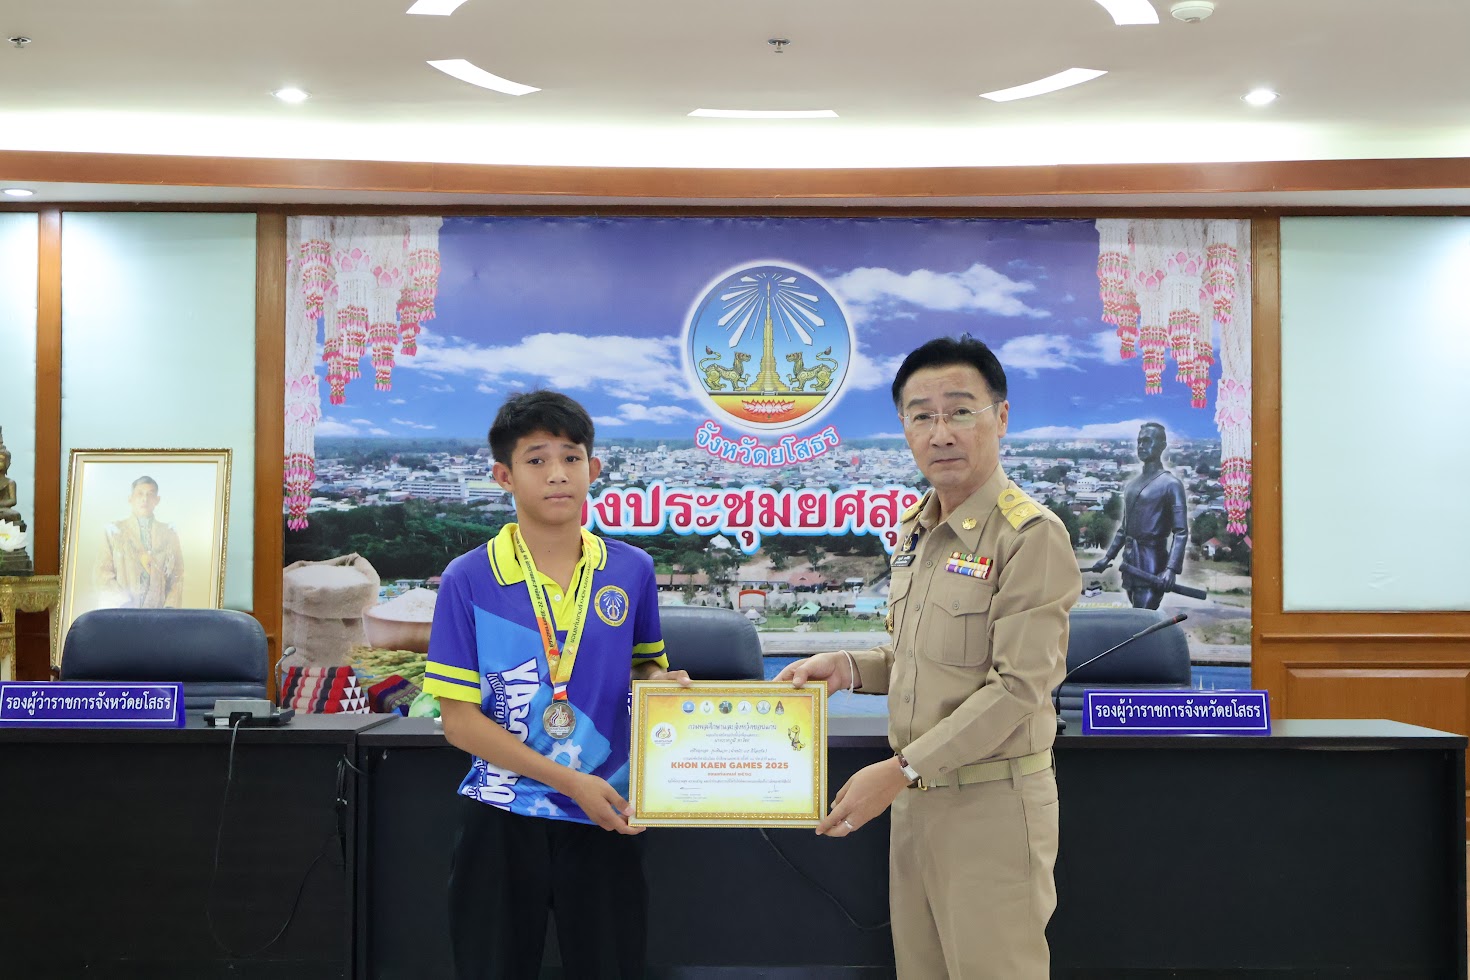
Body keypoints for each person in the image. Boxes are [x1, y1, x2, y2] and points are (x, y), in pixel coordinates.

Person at [777, 336, 1081, 979]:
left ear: (1000, 417)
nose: (940, 432)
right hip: (917, 803)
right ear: (904, 429)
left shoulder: (1030, 536)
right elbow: (923, 657)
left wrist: (900, 770)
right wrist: (852, 667)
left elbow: (1018, 688)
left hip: (991, 807)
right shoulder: (918, 529)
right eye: (922, 415)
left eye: (959, 410)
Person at [422, 389, 690, 980]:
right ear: (503, 476)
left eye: (571, 457)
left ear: (593, 470)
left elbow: (640, 664)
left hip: (607, 812)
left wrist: (660, 682)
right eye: (536, 460)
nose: (557, 475)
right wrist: (571, 781)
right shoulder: (468, 579)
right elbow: (460, 722)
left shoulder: (630, 569)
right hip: (502, 817)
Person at [1089, 422, 1188, 610]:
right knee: (1137, 617)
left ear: (1162, 446)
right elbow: (1124, 529)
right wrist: (1108, 558)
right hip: (1131, 564)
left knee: (1143, 620)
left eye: (1147, 441)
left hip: (1152, 566)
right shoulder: (1133, 485)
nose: (1141, 446)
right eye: (1139, 441)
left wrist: (1171, 569)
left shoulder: (1171, 484)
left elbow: (1181, 532)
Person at [94, 476, 185, 608]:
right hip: (122, 613)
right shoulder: (114, 531)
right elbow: (102, 573)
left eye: (150, 494)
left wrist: (169, 609)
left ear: (157, 500)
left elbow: (177, 576)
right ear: (130, 498)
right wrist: (123, 603)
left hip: (158, 614)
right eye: (140, 494)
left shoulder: (169, 534)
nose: (145, 499)